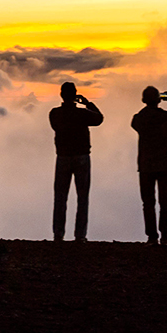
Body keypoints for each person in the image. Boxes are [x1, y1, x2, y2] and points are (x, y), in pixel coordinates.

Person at [50, 81, 104, 242]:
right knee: (82, 197)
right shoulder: (82, 114)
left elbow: (55, 127)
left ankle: (58, 234)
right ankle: (80, 235)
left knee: (60, 197)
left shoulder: (55, 113)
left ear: (61, 94)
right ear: (75, 95)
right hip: (81, 156)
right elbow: (99, 118)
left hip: (63, 157)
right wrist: (88, 103)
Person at [131, 86, 167, 246]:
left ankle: (152, 237)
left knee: (148, 203)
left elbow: (136, 124)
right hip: (164, 165)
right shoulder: (166, 117)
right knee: (165, 203)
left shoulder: (138, 118)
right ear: (159, 100)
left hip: (146, 165)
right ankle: (165, 237)